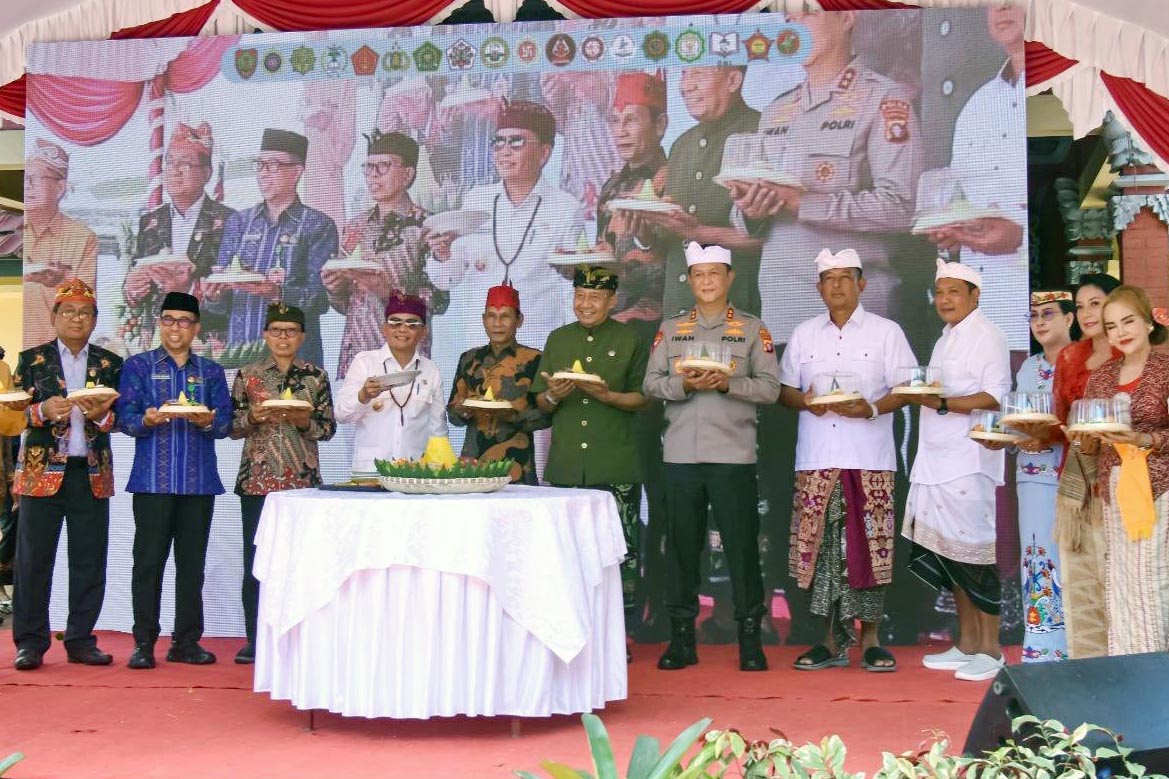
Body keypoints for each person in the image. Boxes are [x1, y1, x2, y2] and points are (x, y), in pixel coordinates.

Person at [731, 10, 923, 344]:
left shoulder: (884, 100)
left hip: (852, 319)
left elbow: (901, 207)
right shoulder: (776, 110)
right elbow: (744, 215)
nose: (794, 27)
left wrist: (804, 203)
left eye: (805, 14)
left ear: (847, 17)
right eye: (787, 20)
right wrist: (751, 212)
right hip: (781, 315)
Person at [644, 242, 781, 672]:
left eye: (714, 274)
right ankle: (682, 639)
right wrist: (683, 386)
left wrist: (726, 385)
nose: (706, 283)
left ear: (729, 278)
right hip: (682, 455)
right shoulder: (671, 329)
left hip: (733, 455)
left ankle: (749, 639)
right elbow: (652, 384)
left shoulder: (752, 329)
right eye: (699, 275)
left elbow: (770, 389)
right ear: (690, 280)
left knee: (742, 549)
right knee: (681, 549)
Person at [779, 248, 915, 673]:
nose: (836, 286)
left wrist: (872, 409)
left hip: (869, 458)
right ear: (819, 288)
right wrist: (806, 401)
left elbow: (908, 386)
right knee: (819, 551)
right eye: (828, 279)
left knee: (870, 549)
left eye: (845, 278)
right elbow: (784, 390)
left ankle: (871, 638)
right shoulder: (804, 334)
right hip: (817, 458)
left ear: (862, 284)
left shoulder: (886, 332)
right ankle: (827, 641)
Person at [902, 259, 1010, 682]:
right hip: (933, 459)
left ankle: (991, 648)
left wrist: (944, 403)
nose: (944, 300)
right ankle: (967, 644)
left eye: (954, 292)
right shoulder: (947, 338)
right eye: (940, 292)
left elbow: (995, 396)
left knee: (975, 555)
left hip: (968, 461)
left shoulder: (988, 335)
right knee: (950, 557)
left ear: (975, 295)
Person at [533, 266, 650, 651]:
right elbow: (541, 399)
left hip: (614, 463)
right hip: (567, 466)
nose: (585, 304)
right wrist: (553, 396)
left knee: (617, 554)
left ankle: (618, 638)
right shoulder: (558, 338)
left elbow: (643, 398)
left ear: (612, 300)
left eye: (595, 298)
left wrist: (608, 397)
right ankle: (568, 635)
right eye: (580, 296)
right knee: (568, 556)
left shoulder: (630, 338)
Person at [116, 292, 233, 669]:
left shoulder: (211, 371)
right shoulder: (138, 367)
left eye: (184, 321)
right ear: (159, 324)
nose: (176, 327)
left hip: (198, 483)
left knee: (191, 565)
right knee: (147, 563)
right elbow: (125, 418)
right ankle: (144, 642)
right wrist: (146, 420)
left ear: (196, 327)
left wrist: (208, 421)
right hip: (152, 481)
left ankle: (186, 641)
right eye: (168, 319)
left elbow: (225, 423)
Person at [8, 279, 120, 670]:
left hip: (90, 473)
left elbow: (120, 420)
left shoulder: (109, 363)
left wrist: (100, 415)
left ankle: (80, 640)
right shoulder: (31, 360)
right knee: (33, 561)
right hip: (41, 474)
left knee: (89, 560)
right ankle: (31, 643)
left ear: (94, 320)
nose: (76, 319)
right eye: (68, 312)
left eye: (84, 313)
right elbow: (13, 414)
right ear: (54, 316)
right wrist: (41, 411)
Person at [426, 100, 583, 368]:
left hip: (539, 345)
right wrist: (442, 254)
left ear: (544, 153)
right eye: (498, 142)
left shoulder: (565, 207)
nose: (504, 152)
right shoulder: (477, 200)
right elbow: (446, 279)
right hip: (482, 350)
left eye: (516, 142)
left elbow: (572, 288)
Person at [229, 303, 336, 664]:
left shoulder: (315, 377)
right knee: (257, 562)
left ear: (302, 336)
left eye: (291, 331)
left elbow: (328, 428)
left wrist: (304, 422)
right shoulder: (248, 375)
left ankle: (301, 635)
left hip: (302, 485)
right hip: (257, 482)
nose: (283, 337)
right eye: (277, 330)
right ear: (265, 335)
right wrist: (252, 416)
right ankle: (256, 638)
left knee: (301, 563)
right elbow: (230, 426)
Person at [1071, 285, 1169, 656]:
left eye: (1128, 321)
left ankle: (1157, 673)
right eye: (1112, 327)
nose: (1121, 332)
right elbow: (1090, 446)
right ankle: (1128, 667)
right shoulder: (1102, 376)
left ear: (1147, 321)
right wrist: (1082, 437)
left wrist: (1143, 439)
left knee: (1153, 580)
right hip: (1114, 489)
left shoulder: (1165, 369)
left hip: (1158, 487)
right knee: (1122, 581)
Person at [207, 129, 339, 367]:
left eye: (274, 165)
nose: (264, 174)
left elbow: (320, 299)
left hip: (295, 361)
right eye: (260, 165)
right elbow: (220, 304)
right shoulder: (239, 222)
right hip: (241, 355)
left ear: (297, 172)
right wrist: (214, 296)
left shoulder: (318, 225)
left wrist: (276, 293)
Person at [638, 66, 762, 319]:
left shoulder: (762, 131)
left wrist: (700, 233)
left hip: (734, 312)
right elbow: (668, 239)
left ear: (733, 80)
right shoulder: (681, 145)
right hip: (678, 313)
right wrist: (644, 226)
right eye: (683, 74)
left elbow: (773, 237)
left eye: (698, 74)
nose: (685, 86)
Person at [325, 129, 447, 380]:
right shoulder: (355, 227)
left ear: (407, 174)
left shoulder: (427, 227)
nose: (373, 175)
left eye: (383, 166)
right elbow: (345, 305)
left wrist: (388, 293)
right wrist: (334, 289)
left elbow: (438, 300)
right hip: (356, 354)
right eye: (368, 167)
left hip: (403, 355)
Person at [995, 291, 1074, 662]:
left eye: (1048, 314)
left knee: (1071, 556)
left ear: (1069, 319)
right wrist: (1002, 438)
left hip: (1071, 472)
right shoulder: (1028, 368)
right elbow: (1017, 420)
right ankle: (1042, 644)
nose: (1040, 322)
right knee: (1037, 556)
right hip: (1031, 475)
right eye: (1033, 316)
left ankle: (1077, 643)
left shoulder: (1084, 362)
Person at [922, 5, 1028, 278]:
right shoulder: (978, 104)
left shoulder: (1062, 90)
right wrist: (952, 230)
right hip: (980, 287)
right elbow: (960, 196)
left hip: (1037, 285)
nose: (1001, 7)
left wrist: (1020, 234)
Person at [1049, 273, 1120, 658]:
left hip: (1121, 486)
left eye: (1095, 303)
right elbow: (1059, 425)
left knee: (1122, 583)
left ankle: (1131, 662)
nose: (1086, 312)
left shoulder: (1132, 355)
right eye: (1079, 306)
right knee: (1080, 584)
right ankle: (1088, 667)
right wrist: (1033, 434)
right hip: (1075, 490)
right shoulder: (1070, 357)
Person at [125, 122, 235, 338]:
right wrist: (131, 291)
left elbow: (236, 294)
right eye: (170, 163)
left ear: (207, 173)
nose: (174, 171)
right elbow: (133, 275)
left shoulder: (229, 220)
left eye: (185, 164)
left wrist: (188, 289)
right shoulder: (149, 221)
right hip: (156, 338)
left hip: (206, 340)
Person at [447, 284, 548, 484]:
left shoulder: (535, 359)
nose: (497, 323)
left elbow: (546, 418)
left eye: (505, 316)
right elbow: (453, 416)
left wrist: (513, 416)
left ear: (519, 320)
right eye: (491, 316)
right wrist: (461, 410)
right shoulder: (468, 359)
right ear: (484, 320)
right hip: (473, 463)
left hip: (517, 464)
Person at [335, 292, 447, 472]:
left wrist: (440, 470)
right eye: (395, 323)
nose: (402, 329)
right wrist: (363, 396)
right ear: (384, 329)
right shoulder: (364, 362)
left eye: (412, 324)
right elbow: (341, 414)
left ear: (423, 332)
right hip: (371, 472)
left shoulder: (430, 370)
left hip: (415, 473)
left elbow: (438, 429)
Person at [596, 71, 670, 336]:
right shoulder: (611, 186)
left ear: (660, 125)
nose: (620, 131)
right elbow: (604, 252)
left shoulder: (675, 177)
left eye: (631, 120)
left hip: (656, 323)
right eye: (615, 121)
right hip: (608, 320)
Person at [22, 140, 98, 348]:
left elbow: (84, 310)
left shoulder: (82, 238)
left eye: (35, 178)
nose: (26, 185)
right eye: (24, 177)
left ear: (60, 188)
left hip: (53, 358)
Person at [0, 347, 26, 606]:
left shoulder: (5, 372)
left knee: (10, 523)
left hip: (6, 467)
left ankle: (2, 586)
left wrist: (12, 477)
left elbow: (11, 432)